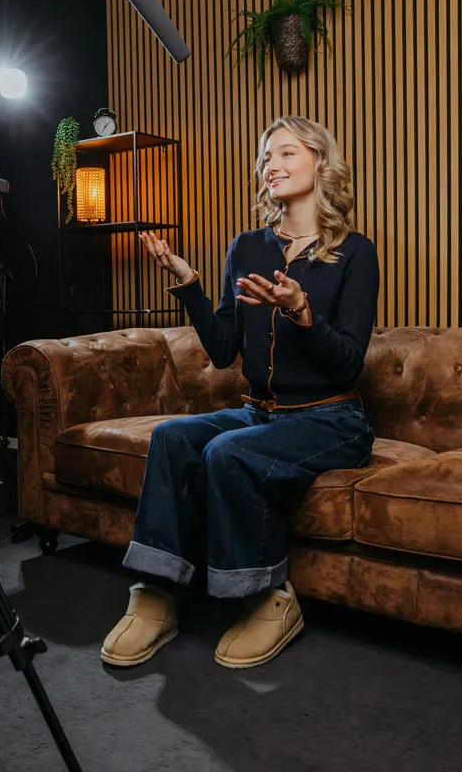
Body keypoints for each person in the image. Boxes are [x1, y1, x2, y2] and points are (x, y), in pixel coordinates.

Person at [100, 115, 380, 670]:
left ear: (321, 162)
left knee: (227, 452)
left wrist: (301, 311)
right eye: (265, 158)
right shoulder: (246, 248)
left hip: (331, 420)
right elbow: (225, 351)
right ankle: (156, 593)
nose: (270, 166)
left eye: (286, 154)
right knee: (173, 439)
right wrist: (192, 289)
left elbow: (348, 364)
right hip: (259, 414)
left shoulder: (354, 253)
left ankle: (270, 599)